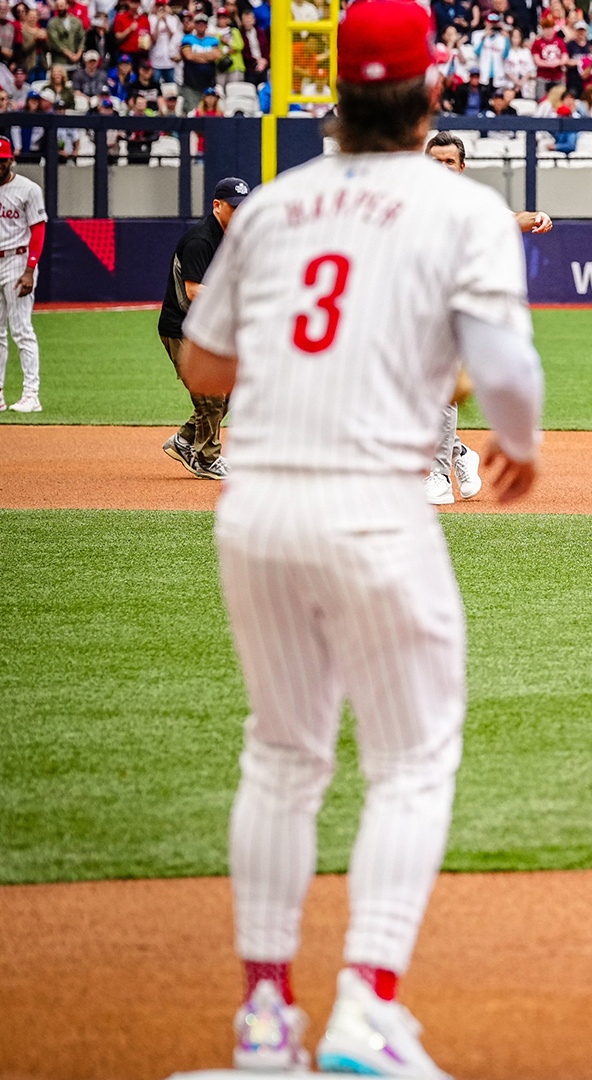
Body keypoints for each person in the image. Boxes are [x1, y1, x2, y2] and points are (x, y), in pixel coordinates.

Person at [174, 2, 544, 1072]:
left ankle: (261, 1025)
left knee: (281, 755)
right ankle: (367, 1010)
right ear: (433, 94)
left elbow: (203, 370)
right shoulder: (458, 205)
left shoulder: (280, 205)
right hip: (374, 505)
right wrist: (519, 444)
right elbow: (509, 374)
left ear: (333, 95)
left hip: (257, 506)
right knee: (413, 758)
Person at [421, 131, 552, 504]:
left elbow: (512, 219)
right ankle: (461, 454)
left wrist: (538, 217)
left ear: (461, 168)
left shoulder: (473, 206)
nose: (442, 167)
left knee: (443, 389)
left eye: (449, 161)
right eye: (435, 160)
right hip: (412, 312)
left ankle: (438, 475)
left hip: (456, 310)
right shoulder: (408, 205)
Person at [157, 176, 249, 478]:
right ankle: (207, 459)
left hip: (210, 327)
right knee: (212, 394)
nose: (240, 213)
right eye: (234, 207)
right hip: (182, 328)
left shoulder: (234, 237)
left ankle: (185, 440)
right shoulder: (201, 240)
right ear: (217, 205)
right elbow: (195, 291)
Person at [0, 137, 45, 413]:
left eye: (3, 159)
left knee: (21, 329)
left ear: (11, 159)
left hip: (17, 261)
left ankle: (31, 393)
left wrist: (30, 269)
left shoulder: (28, 189)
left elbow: (38, 230)